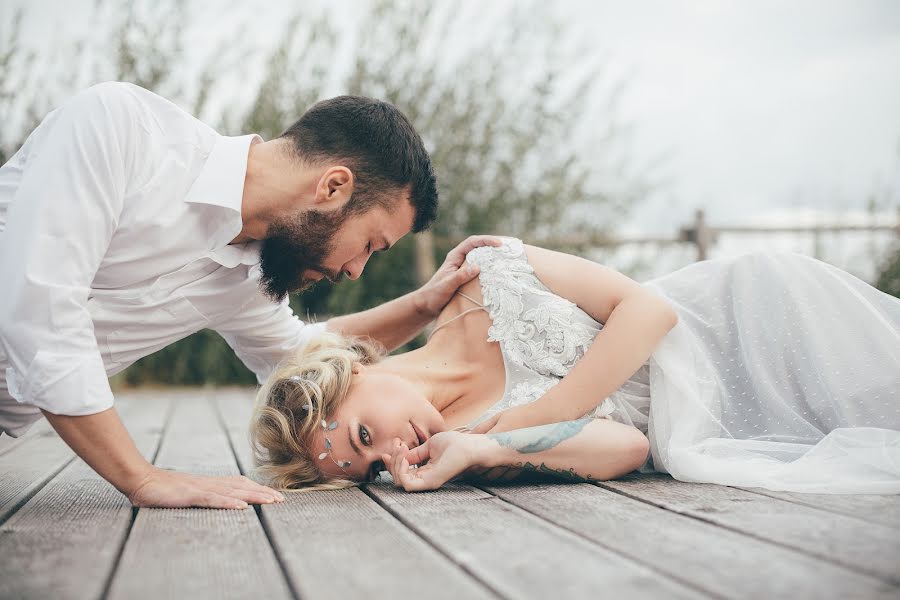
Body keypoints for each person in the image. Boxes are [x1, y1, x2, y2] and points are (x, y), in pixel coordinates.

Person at [0, 81, 499, 509]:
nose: (354, 271)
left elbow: (310, 354)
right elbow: (42, 315)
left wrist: (425, 304)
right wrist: (141, 476)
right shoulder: (121, 129)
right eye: (369, 244)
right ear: (333, 187)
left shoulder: (248, 279)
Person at [251, 237, 900, 494]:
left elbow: (647, 312)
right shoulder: (468, 443)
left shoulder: (486, 276)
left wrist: (545, 409)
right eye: (372, 470)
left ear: (355, 371)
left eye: (366, 435)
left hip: (751, 317)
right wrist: (486, 450)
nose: (393, 455)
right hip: (735, 413)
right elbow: (625, 445)